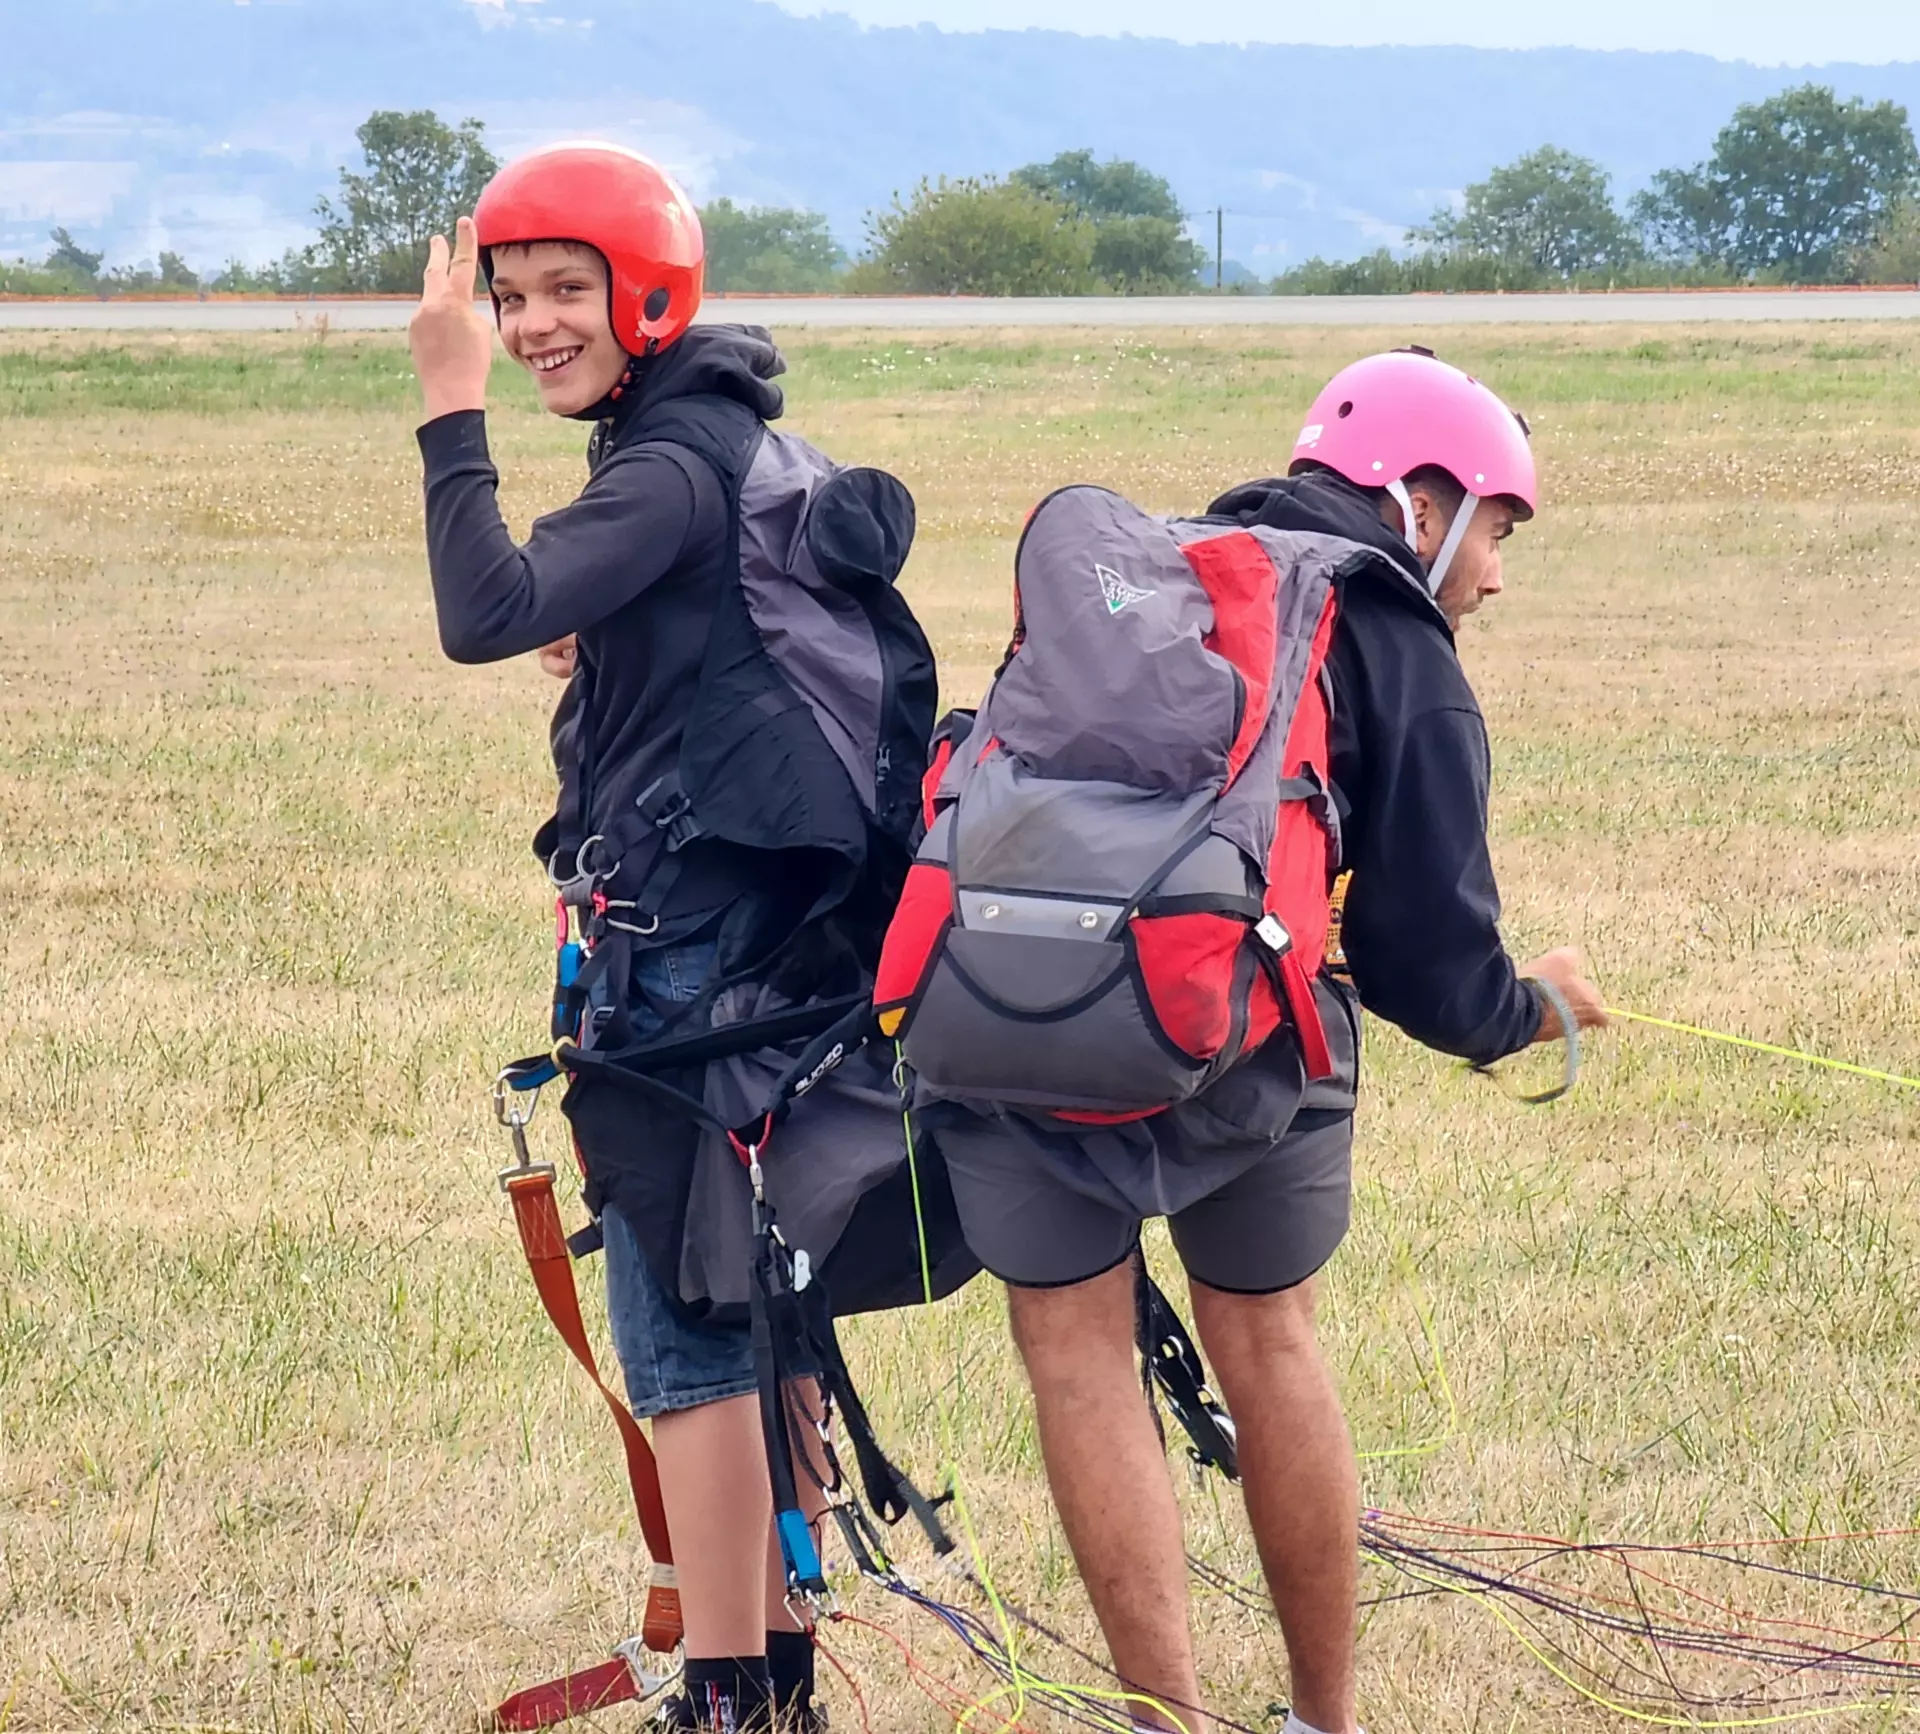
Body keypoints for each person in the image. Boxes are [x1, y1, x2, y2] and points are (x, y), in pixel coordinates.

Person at [919, 348, 1608, 1734]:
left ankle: (1161, 1718)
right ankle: (1321, 1722)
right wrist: (1530, 1010)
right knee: (1267, 1339)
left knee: (1072, 1351)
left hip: (1015, 1019)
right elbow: (1427, 960)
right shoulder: (1394, 641)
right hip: (1240, 1045)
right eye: (1499, 532)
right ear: (1424, 501)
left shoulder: (1156, 567)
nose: (1494, 576)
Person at [407, 142, 939, 1733]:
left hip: (689, 971)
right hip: (750, 950)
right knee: (745, 1303)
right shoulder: (711, 440)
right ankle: (770, 1673)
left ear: (647, 294)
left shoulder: (668, 464)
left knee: (684, 1325)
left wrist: (449, 405)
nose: (527, 323)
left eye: (564, 290)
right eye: (505, 299)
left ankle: (723, 1699)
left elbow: (477, 606)